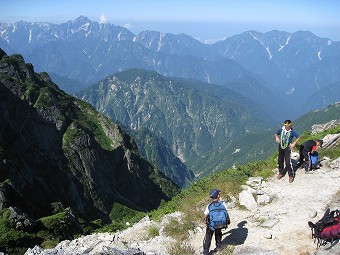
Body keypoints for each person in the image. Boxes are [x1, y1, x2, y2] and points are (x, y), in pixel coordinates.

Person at [202, 189, 229, 255]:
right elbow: (226, 213)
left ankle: (206, 252)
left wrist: (205, 221)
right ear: (218, 196)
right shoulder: (223, 204)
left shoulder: (209, 206)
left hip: (212, 225)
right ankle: (219, 245)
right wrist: (228, 221)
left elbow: (205, 215)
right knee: (218, 232)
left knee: (208, 236)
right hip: (221, 223)